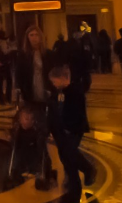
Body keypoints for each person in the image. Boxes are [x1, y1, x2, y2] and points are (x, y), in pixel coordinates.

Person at [48, 65, 95, 203]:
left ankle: (88, 169)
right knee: (66, 160)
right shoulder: (59, 92)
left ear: (63, 78)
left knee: (70, 154)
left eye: (55, 81)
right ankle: (74, 192)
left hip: (72, 130)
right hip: (61, 131)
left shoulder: (75, 92)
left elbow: (77, 114)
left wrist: (69, 127)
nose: (54, 84)